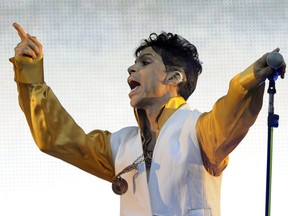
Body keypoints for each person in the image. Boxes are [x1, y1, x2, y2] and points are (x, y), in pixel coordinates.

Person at [10, 23, 285, 216]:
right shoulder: (119, 145)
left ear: (174, 78)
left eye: (145, 62)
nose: (132, 67)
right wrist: (31, 72)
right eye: (135, 63)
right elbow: (56, 137)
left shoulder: (199, 130)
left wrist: (250, 79)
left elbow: (230, 115)